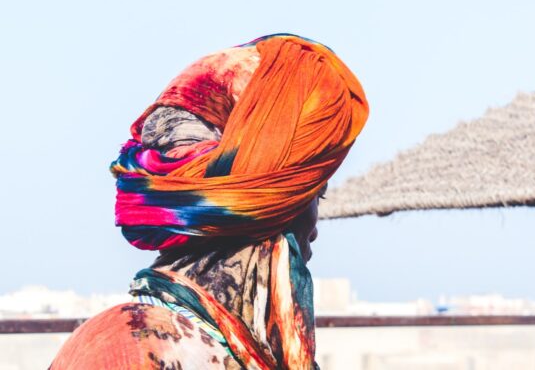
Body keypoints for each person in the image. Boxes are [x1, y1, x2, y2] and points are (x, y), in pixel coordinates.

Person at [51, 34, 368, 369]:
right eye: (316, 195)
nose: (315, 229)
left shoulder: (228, 345)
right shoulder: (132, 347)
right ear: (273, 206)